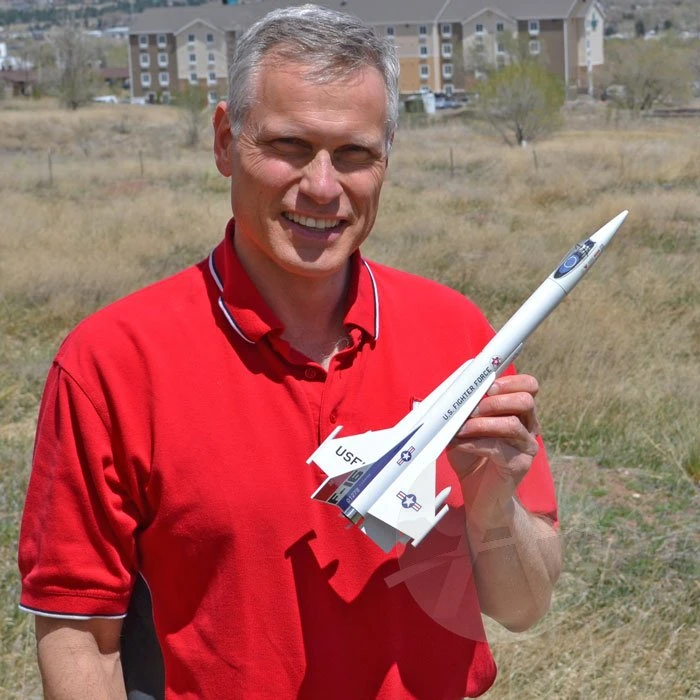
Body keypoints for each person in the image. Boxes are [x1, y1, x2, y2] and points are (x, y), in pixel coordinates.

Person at [18, 5, 561, 699]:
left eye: (355, 153)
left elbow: (523, 607)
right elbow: (78, 635)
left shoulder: (456, 334)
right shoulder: (113, 363)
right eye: (289, 146)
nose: (323, 187)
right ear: (225, 141)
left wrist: (491, 502)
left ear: (387, 159)